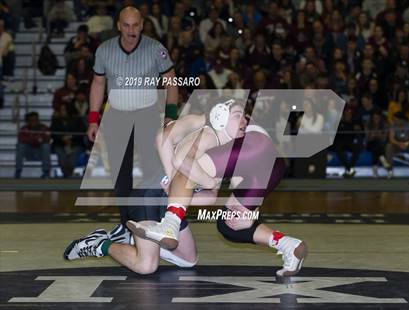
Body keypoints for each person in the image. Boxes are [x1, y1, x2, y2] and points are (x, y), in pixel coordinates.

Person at [64, 100, 307, 277]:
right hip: (147, 198)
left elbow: (207, 196)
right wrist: (194, 182)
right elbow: (168, 144)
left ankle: (284, 243)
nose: (244, 120)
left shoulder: (224, 145)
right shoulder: (206, 131)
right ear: (220, 118)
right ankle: (100, 244)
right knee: (146, 266)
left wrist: (226, 196)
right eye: (237, 115)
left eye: (244, 115)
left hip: (258, 165)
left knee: (211, 240)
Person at [86, 5, 178, 230]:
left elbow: (171, 81)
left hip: (147, 116)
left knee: (154, 172)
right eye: (126, 25)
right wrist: (92, 119)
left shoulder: (156, 49)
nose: (131, 30)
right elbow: (98, 83)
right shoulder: (104, 50)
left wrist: (171, 117)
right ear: (118, 26)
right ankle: (125, 224)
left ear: (142, 25)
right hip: (116, 117)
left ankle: (157, 221)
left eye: (135, 25)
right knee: (120, 176)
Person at [15, 112, 51, 178]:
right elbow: (20, 139)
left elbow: (48, 139)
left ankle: (46, 172)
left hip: (40, 153)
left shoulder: (44, 127)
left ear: (38, 120)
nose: (34, 122)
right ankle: (18, 171)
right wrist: (35, 139)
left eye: (36, 120)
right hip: (29, 152)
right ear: (28, 121)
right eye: (31, 120)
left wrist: (35, 140)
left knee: (46, 146)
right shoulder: (24, 128)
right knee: (20, 146)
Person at [385, 112, 409, 179]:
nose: (394, 121)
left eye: (396, 119)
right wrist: (399, 144)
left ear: (401, 119)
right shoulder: (393, 124)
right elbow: (391, 139)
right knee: (389, 147)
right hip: (397, 144)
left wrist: (406, 143)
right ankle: (390, 171)